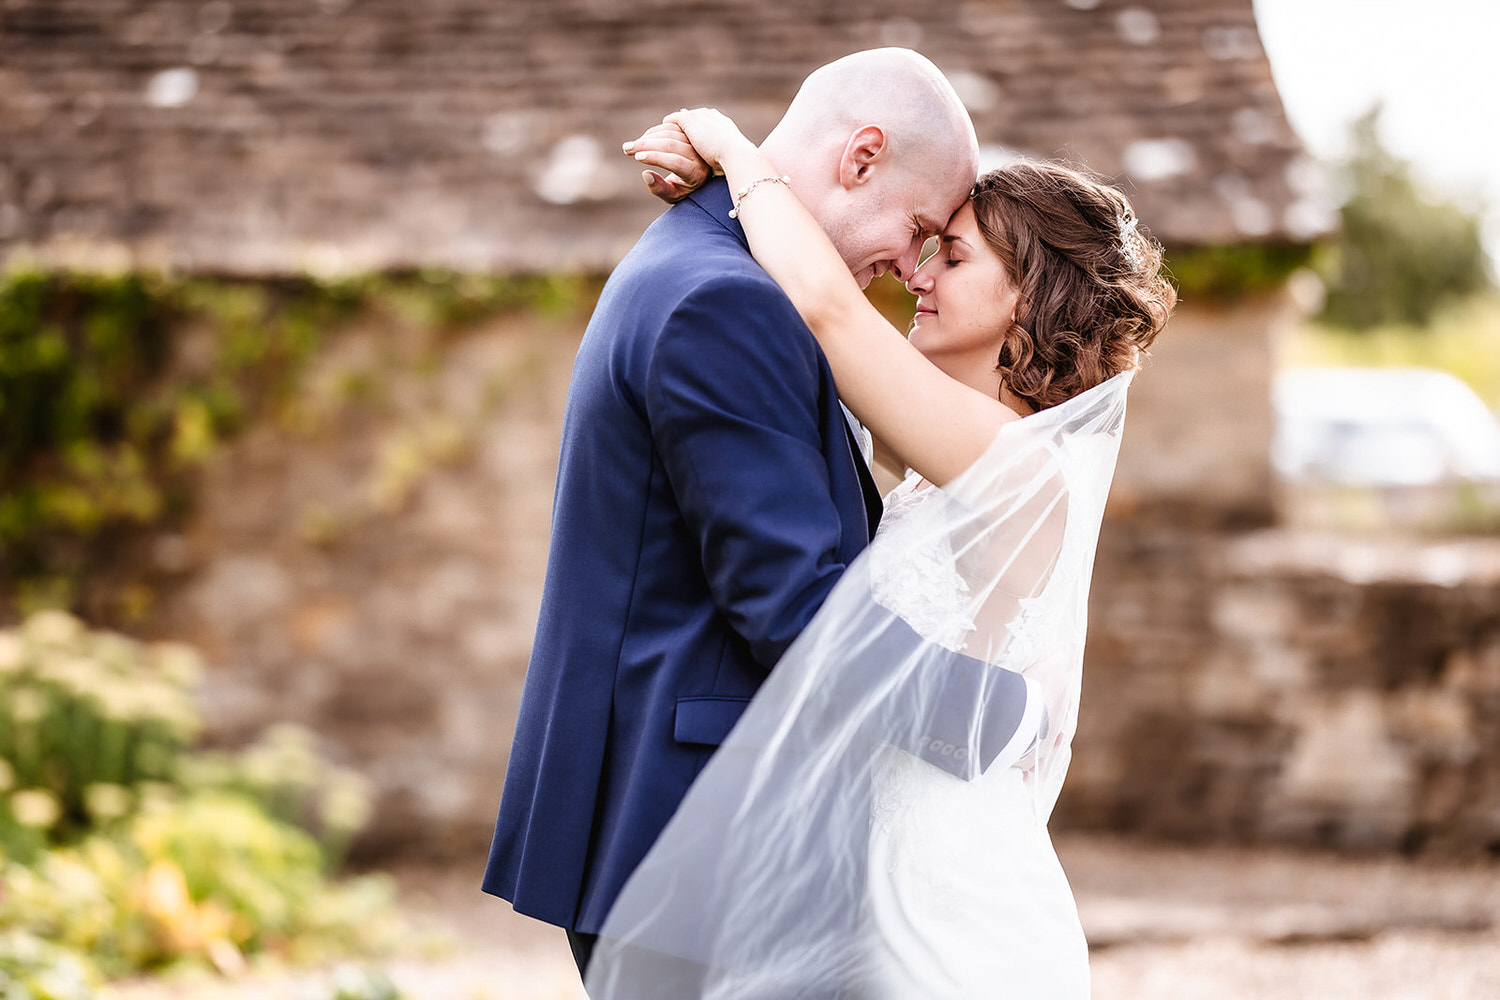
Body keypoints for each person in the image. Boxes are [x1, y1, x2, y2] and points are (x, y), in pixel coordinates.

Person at [580, 110, 1176, 997]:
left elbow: (824, 309)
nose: (918, 275)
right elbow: (802, 389)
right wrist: (709, 195)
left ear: (1031, 297)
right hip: (863, 870)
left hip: (946, 890)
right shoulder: (944, 452)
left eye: (955, 256)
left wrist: (738, 153)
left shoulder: (1018, 466)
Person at [480, 48, 981, 988]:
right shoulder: (728, 302)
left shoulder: (712, 265)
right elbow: (794, 609)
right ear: (861, 155)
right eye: (919, 228)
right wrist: (990, 725)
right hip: (695, 838)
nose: (907, 266)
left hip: (686, 831)